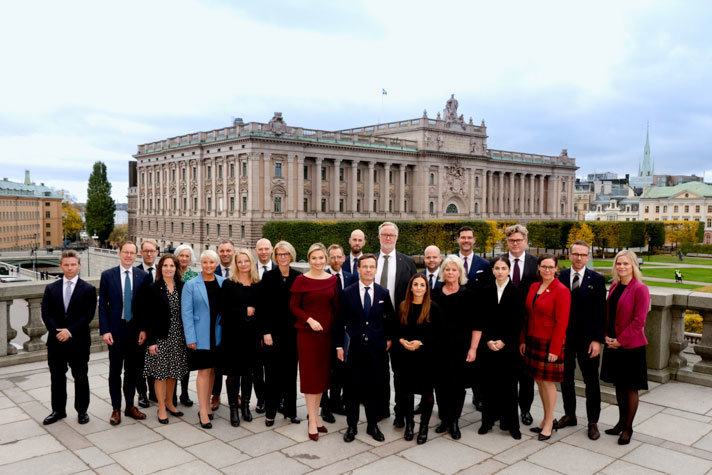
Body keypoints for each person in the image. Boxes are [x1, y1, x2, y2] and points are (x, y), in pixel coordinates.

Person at [337, 253, 395, 443]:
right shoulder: (347, 293)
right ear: (358, 269)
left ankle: (372, 425)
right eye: (365, 267)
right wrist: (339, 346)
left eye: (372, 267)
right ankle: (352, 425)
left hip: (376, 350)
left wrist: (388, 339)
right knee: (352, 388)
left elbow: (390, 319)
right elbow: (340, 322)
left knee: (373, 388)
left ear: (376, 269)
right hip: (354, 349)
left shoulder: (382, 292)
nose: (368, 270)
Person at [40, 250, 97, 425]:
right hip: (56, 341)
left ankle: (82, 411)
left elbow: (87, 316)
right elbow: (46, 313)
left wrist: (69, 331)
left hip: (78, 341)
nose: (70, 268)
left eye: (73, 264)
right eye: (66, 265)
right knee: (56, 377)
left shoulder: (88, 289)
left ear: (79, 266)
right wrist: (58, 332)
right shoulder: (51, 288)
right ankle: (58, 410)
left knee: (81, 377)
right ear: (61, 266)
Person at [558, 241, 606, 440]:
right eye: (575, 254)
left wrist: (597, 340)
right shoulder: (559, 277)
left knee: (591, 381)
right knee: (565, 379)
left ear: (588, 256)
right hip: (565, 339)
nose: (578, 258)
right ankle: (570, 415)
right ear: (569, 255)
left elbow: (601, 313)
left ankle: (593, 421)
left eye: (583, 254)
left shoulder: (597, 279)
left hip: (588, 340)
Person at [290, 243, 338, 441]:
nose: (318, 262)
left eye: (321, 258)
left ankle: (317, 417)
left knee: (322, 378)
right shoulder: (301, 280)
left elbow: (336, 307)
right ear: (308, 259)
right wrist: (309, 320)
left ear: (326, 259)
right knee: (310, 378)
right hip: (308, 334)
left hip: (326, 335)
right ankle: (311, 420)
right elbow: (294, 307)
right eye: (314, 258)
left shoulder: (332, 280)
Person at [601, 250, 650, 445]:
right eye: (619, 264)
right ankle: (620, 422)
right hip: (613, 343)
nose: (621, 267)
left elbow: (639, 321)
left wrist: (621, 340)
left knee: (630, 388)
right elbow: (609, 314)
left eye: (626, 264)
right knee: (619, 385)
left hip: (631, 346)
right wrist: (606, 335)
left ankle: (628, 427)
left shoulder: (640, 288)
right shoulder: (614, 286)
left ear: (633, 266)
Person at [99, 241, 150, 425]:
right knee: (115, 371)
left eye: (132, 253)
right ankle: (115, 409)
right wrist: (105, 330)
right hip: (116, 330)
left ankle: (130, 406)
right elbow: (102, 305)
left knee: (133, 371)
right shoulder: (107, 276)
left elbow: (146, 307)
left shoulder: (143, 276)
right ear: (119, 253)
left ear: (136, 255)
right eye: (125, 252)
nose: (128, 255)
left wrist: (144, 329)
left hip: (135, 331)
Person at [520, 254, 570, 441]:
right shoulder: (534, 286)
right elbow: (528, 315)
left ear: (556, 269)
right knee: (539, 381)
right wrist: (523, 339)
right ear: (539, 268)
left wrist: (555, 349)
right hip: (533, 339)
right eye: (544, 266)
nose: (547, 270)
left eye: (551, 267)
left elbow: (561, 323)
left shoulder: (562, 290)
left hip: (550, 343)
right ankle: (545, 419)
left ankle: (550, 421)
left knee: (548, 383)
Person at [431, 255, 480, 440]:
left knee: (457, 386)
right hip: (438, 348)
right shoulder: (434, 293)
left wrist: (473, 348)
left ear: (460, 273)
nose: (450, 273)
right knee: (440, 385)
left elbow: (477, 324)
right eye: (447, 269)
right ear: (443, 272)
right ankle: (444, 419)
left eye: (454, 269)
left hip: (460, 348)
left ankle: (454, 421)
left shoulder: (469, 295)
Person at [477, 256, 524, 440]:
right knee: (488, 385)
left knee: (510, 387)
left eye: (503, 268)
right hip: (488, 346)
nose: (500, 271)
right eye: (497, 268)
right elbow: (482, 318)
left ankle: (512, 425)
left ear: (509, 270)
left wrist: (504, 341)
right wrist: (488, 340)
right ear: (493, 270)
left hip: (508, 347)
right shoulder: (486, 291)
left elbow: (518, 321)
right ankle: (487, 422)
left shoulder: (516, 292)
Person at [139, 254, 189, 424]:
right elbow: (148, 317)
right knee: (160, 374)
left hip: (178, 336)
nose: (169, 268)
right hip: (160, 337)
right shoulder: (153, 288)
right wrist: (151, 341)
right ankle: (161, 406)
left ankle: (170, 402)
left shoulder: (183, 287)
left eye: (172, 266)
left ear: (177, 268)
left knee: (173, 372)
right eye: (165, 265)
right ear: (160, 268)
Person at [375, 221, 416, 425]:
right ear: (379, 237)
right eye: (385, 235)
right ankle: (381, 409)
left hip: (400, 324)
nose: (388, 238)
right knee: (378, 372)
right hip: (375, 325)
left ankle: (400, 413)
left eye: (391, 235)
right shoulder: (370, 260)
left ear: (397, 237)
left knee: (400, 373)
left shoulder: (407, 262)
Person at [182, 250, 226, 429]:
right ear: (201, 263)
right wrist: (190, 337)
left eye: (212, 262)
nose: (208, 265)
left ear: (216, 264)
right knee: (204, 371)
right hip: (200, 335)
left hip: (219, 334)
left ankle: (208, 406)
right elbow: (186, 314)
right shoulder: (191, 285)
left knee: (213, 371)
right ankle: (203, 412)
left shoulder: (224, 283)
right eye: (205, 262)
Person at [393, 274, 439, 444]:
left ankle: (424, 426)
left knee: (427, 393)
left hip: (426, 358)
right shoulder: (403, 306)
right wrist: (402, 341)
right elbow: (396, 330)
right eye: (416, 284)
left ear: (426, 289)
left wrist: (421, 343)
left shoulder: (433, 308)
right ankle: (410, 424)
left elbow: (438, 335)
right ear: (410, 287)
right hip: (406, 358)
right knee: (407, 394)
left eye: (422, 285)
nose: (419, 287)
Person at [261, 241, 302, 425]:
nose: (282, 257)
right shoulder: (269, 276)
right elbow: (264, 307)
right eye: (279, 254)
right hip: (273, 333)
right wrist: (266, 331)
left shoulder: (298, 277)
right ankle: (270, 412)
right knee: (271, 374)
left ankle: (291, 411)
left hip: (293, 333)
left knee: (290, 373)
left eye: (285, 254)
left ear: (291, 256)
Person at [501, 224, 539, 426]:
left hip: (528, 326)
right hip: (504, 326)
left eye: (518, 240)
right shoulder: (498, 262)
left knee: (526, 374)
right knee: (505, 373)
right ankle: (506, 410)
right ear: (507, 242)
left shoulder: (535, 264)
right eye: (511, 240)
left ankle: (525, 409)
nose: (515, 244)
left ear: (525, 241)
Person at [220, 248, 261, 426]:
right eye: (240, 262)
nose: (243, 264)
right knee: (233, 373)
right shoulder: (229, 284)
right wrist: (244, 310)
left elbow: (263, 309)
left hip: (251, 336)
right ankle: (233, 410)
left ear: (251, 263)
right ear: (236, 264)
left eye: (246, 261)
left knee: (249, 373)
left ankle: (245, 406)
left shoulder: (258, 283)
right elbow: (223, 309)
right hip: (233, 335)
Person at [321, 243, 357, 419]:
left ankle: (336, 402)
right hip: (326, 329)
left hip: (344, 331)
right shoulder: (322, 276)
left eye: (339, 256)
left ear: (344, 258)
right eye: (332, 257)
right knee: (325, 369)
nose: (336, 260)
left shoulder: (351, 278)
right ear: (328, 259)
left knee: (340, 368)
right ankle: (324, 406)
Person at [211, 239, 237, 412]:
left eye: (228, 250)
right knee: (217, 361)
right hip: (218, 324)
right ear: (218, 253)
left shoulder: (241, 269)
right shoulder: (212, 271)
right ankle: (216, 394)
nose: (225, 253)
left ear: (233, 252)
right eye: (222, 251)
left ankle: (237, 394)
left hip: (237, 324)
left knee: (236, 362)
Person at [136, 239, 159, 408]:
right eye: (146, 251)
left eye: (152, 251)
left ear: (157, 252)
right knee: (140, 361)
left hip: (157, 325)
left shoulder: (163, 271)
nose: (149, 254)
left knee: (155, 359)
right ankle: (142, 393)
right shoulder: (135, 273)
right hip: (140, 326)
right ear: (141, 253)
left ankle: (154, 392)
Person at [173, 244, 197, 407]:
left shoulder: (195, 276)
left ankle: (185, 392)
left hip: (188, 323)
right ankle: (172, 394)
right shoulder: (170, 272)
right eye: (181, 255)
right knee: (174, 360)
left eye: (187, 256)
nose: (184, 258)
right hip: (173, 322)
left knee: (186, 361)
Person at [251, 238, 273, 413]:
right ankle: (261, 399)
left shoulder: (278, 269)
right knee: (257, 367)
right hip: (254, 326)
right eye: (261, 249)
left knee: (274, 366)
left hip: (275, 327)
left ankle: (276, 398)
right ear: (256, 251)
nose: (264, 252)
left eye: (267, 248)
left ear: (271, 250)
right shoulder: (250, 270)